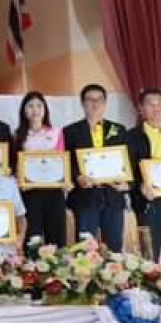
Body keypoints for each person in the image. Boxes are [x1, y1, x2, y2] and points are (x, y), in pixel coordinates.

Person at [64, 84, 128, 251]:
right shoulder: (70, 131)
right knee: (85, 250)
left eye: (99, 99)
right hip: (85, 198)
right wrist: (77, 177)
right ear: (82, 103)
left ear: (105, 103)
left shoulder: (119, 130)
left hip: (113, 198)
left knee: (114, 250)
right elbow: (66, 162)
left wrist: (127, 183)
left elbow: (128, 162)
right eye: (90, 99)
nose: (95, 103)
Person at [13, 91, 67, 247]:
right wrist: (19, 180)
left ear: (45, 109)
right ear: (24, 110)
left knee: (56, 238)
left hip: (54, 191)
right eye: (30, 106)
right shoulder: (18, 135)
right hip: (30, 192)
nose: (35, 110)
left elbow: (61, 161)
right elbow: (15, 164)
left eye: (39, 105)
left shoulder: (56, 133)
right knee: (32, 238)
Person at [129, 88, 161, 262]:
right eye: (150, 104)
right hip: (149, 201)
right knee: (150, 254)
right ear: (141, 108)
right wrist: (140, 186)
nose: (156, 108)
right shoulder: (131, 136)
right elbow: (127, 171)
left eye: (160, 104)